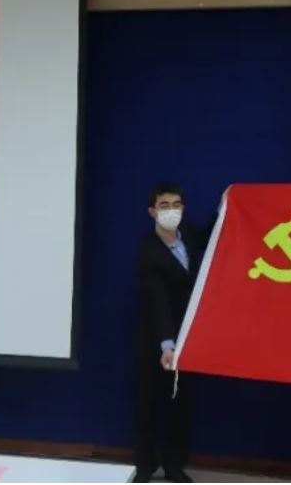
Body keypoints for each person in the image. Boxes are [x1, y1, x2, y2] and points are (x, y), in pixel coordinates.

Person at [133, 183, 207, 483]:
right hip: (155, 337)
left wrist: (229, 205)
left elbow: (212, 236)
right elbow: (158, 301)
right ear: (152, 211)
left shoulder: (187, 232)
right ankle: (145, 466)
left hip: (189, 334)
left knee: (181, 404)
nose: (171, 211)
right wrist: (167, 345)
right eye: (164, 206)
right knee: (148, 403)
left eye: (176, 205)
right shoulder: (148, 252)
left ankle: (174, 465)